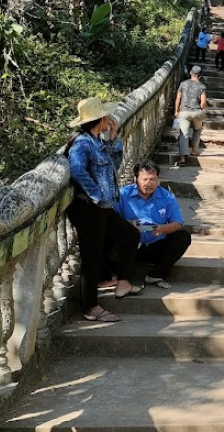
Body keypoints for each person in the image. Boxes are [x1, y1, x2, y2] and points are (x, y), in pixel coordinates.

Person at [65, 97, 142, 323]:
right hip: (88, 208)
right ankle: (91, 308)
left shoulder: (97, 141)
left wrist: (114, 137)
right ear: (101, 119)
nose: (110, 119)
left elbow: (114, 165)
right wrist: (97, 195)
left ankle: (125, 281)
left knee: (130, 235)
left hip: (102, 208)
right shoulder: (82, 143)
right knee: (92, 258)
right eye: (107, 117)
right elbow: (78, 172)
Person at [114, 160, 192, 289]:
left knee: (183, 236)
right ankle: (117, 275)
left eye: (152, 179)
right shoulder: (122, 195)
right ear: (135, 179)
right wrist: (129, 225)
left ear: (158, 180)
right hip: (130, 248)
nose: (148, 183)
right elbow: (112, 221)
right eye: (144, 179)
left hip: (156, 245)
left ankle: (156, 275)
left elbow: (178, 223)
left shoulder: (167, 197)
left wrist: (162, 229)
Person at [174, 65, 207, 166]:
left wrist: (176, 111)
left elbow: (178, 99)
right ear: (200, 76)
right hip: (196, 111)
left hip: (184, 112)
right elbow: (203, 102)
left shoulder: (183, 84)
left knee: (184, 134)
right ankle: (193, 150)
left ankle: (182, 158)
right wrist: (200, 109)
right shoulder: (202, 86)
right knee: (197, 129)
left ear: (190, 73)